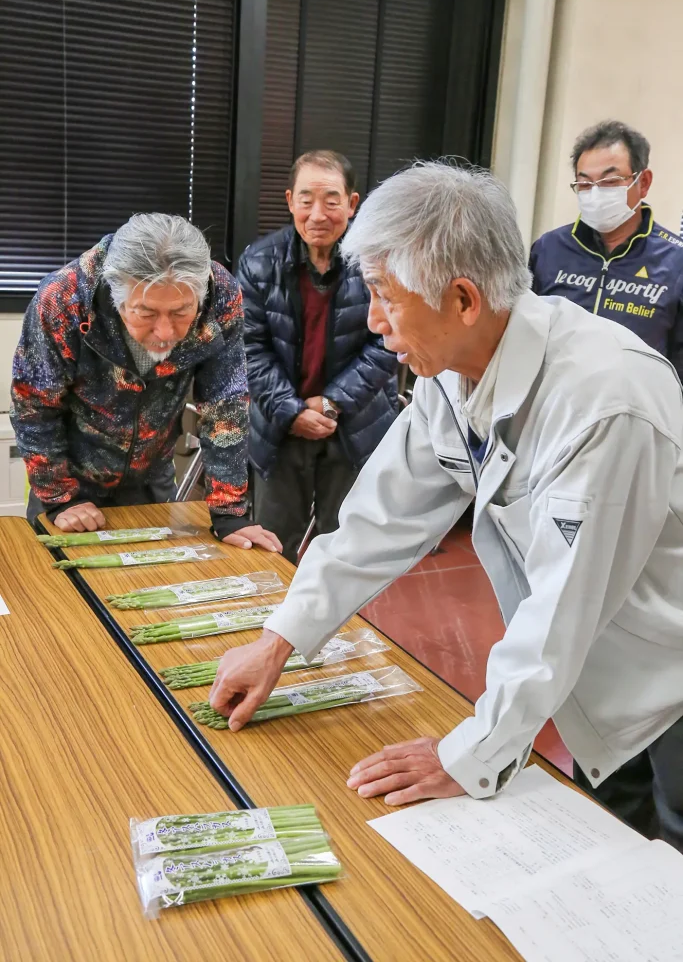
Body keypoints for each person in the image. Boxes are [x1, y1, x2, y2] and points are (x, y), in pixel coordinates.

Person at [209, 161, 683, 851]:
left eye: (384, 297)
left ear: (462, 298)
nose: (374, 322)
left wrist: (467, 753)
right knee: (605, 842)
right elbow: (378, 520)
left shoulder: (602, 398)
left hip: (665, 676)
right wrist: (278, 640)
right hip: (590, 680)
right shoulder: (453, 373)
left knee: (665, 867)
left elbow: (562, 604)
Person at [12, 212, 281, 552]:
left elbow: (225, 405)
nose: (165, 333)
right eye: (146, 313)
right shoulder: (63, 298)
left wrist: (229, 513)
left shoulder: (222, 294)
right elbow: (34, 406)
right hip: (70, 478)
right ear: (116, 294)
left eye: (182, 312)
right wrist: (59, 497)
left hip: (152, 474)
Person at [236, 150, 399, 563]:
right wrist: (292, 411)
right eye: (306, 200)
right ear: (290, 201)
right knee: (271, 546)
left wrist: (332, 403)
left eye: (331, 199)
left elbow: (389, 341)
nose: (317, 213)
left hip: (355, 425)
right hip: (281, 427)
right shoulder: (258, 263)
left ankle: (336, 628)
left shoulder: (379, 262)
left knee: (347, 549)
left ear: (352, 203)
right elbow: (249, 347)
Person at [531, 119, 683, 378]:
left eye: (610, 182)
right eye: (585, 184)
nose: (596, 194)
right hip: (554, 408)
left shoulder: (675, 261)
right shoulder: (549, 249)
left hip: (637, 410)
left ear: (643, 182)